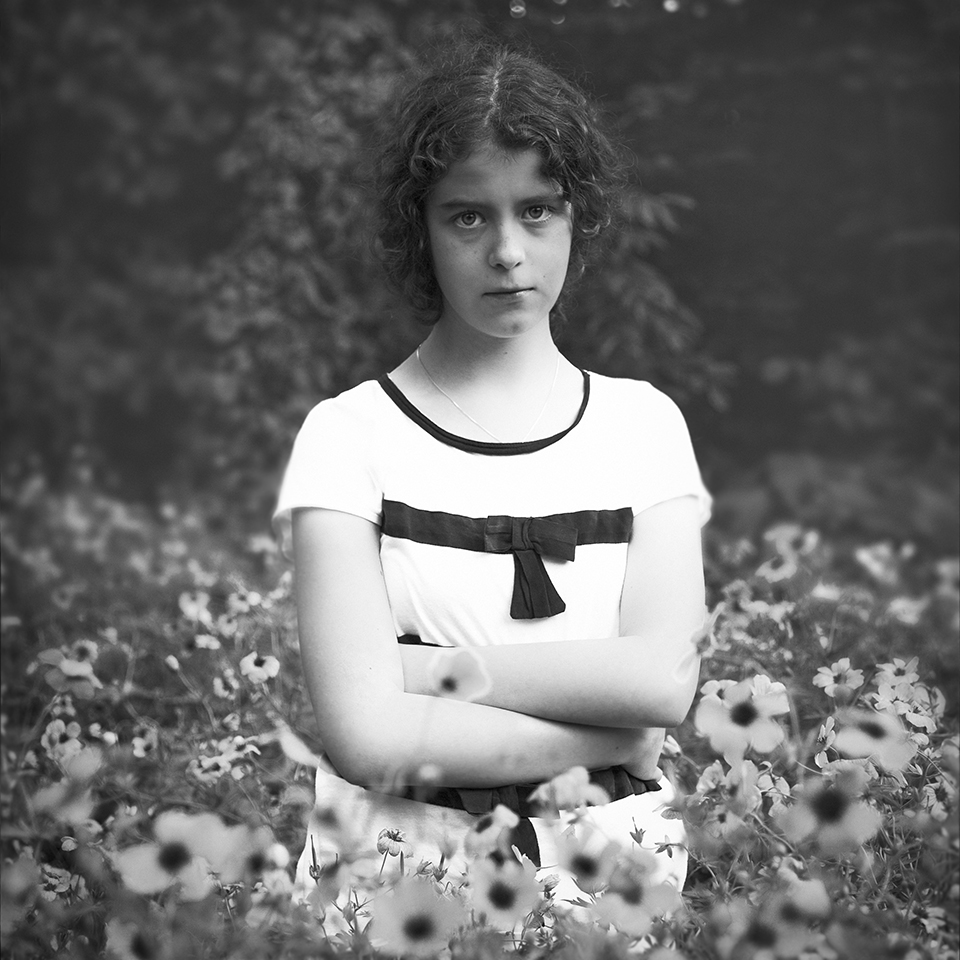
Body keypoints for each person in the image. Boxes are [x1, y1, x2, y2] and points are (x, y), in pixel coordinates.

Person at [273, 38, 711, 920]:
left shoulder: (644, 425)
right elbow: (370, 742)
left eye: (538, 210)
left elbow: (663, 680)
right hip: (399, 882)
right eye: (469, 217)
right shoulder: (348, 436)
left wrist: (423, 673)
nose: (509, 251)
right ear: (421, 229)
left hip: (614, 881)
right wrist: (608, 734)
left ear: (578, 218)